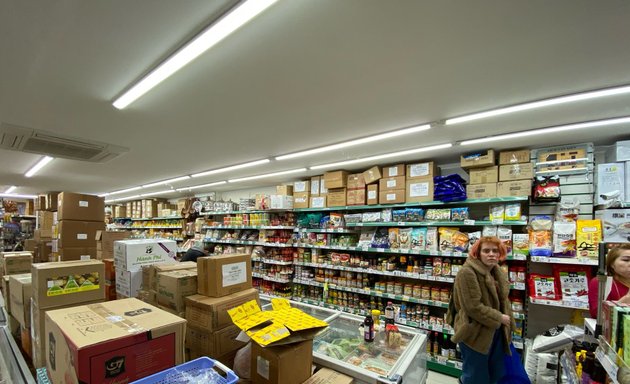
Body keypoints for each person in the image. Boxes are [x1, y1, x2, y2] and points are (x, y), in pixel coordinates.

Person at [451, 236, 515, 384]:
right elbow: (472, 306)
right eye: (486, 251)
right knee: (475, 376)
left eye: (495, 251)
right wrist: (499, 317)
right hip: (475, 333)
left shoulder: (496, 271)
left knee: (496, 373)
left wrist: (509, 324)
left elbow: (504, 301)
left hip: (496, 331)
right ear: (477, 253)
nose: (491, 254)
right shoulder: (467, 272)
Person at [588, 243, 630, 319]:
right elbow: (597, 314)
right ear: (612, 263)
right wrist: (626, 298)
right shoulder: (601, 282)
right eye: (626, 260)